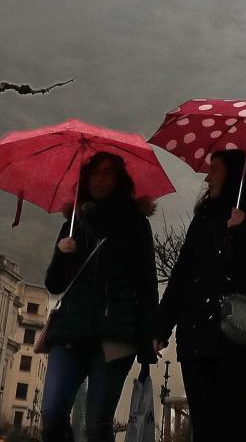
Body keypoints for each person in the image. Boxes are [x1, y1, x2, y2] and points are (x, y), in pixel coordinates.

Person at [154, 150, 246, 441]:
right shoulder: (205, 216)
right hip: (198, 331)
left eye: (214, 169)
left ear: (234, 173)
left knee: (233, 414)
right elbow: (183, 273)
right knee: (204, 423)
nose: (207, 177)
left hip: (243, 331)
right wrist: (161, 327)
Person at [39, 151, 159, 442]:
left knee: (96, 424)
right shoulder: (75, 222)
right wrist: (61, 253)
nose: (100, 179)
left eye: (107, 173)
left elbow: (146, 284)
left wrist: (149, 335)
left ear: (119, 180)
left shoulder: (135, 224)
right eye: (95, 172)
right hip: (72, 329)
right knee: (52, 411)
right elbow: (55, 283)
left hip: (115, 333)